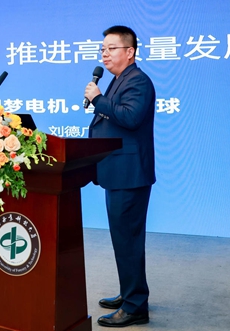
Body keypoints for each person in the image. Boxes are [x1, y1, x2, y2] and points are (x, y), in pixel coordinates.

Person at [84, 25, 156, 328]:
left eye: (111, 48)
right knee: (123, 239)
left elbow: (130, 117)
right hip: (118, 172)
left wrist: (98, 99)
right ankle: (130, 294)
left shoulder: (138, 81)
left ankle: (135, 305)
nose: (105, 54)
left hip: (130, 174)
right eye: (103, 49)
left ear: (130, 52)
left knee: (128, 240)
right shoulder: (119, 80)